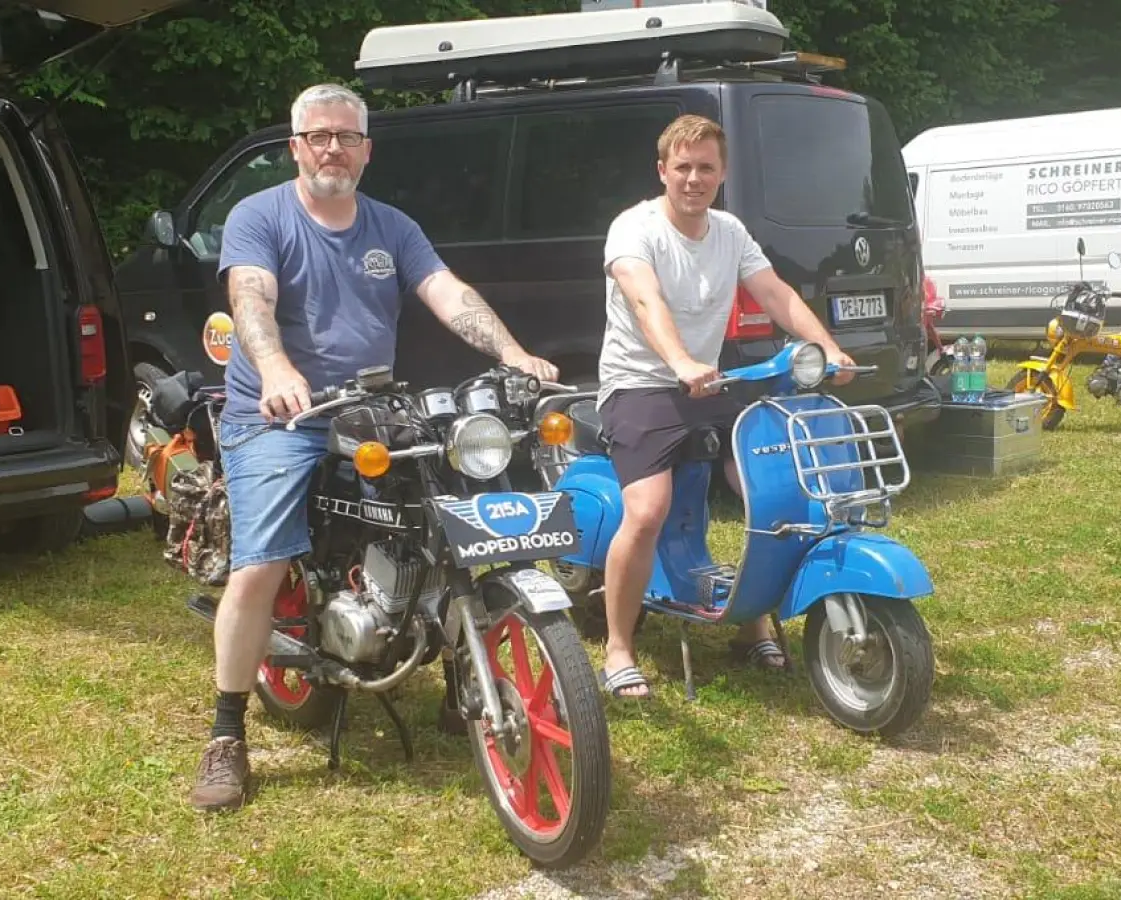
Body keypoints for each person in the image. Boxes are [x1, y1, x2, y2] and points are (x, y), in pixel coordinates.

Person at [189, 83, 558, 812]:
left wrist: (514, 352)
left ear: (366, 149)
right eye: (319, 136)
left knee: (446, 510)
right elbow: (251, 301)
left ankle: (462, 673)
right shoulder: (258, 216)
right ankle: (227, 732)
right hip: (279, 415)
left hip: (370, 411)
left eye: (347, 137)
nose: (333, 148)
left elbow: (446, 291)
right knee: (261, 562)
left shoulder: (391, 226)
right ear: (296, 146)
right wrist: (279, 372)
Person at [595, 114, 858, 699]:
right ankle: (617, 647)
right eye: (682, 167)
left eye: (706, 168)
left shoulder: (730, 231)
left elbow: (776, 292)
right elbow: (645, 299)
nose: (694, 178)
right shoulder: (633, 229)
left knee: (770, 484)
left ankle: (752, 618)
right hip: (638, 384)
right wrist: (682, 361)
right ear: (662, 170)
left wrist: (828, 347)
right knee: (647, 510)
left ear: (722, 174)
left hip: (709, 382)